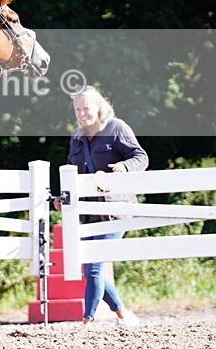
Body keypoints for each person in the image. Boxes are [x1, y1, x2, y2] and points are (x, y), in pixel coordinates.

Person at [53, 85, 147, 327]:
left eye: (86, 108)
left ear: (98, 107)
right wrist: (62, 198)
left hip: (115, 212)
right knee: (89, 271)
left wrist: (125, 167)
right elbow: (71, 173)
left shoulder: (117, 128)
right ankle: (124, 314)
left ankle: (87, 322)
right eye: (78, 109)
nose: (82, 113)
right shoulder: (77, 137)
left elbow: (141, 157)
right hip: (88, 215)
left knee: (94, 269)